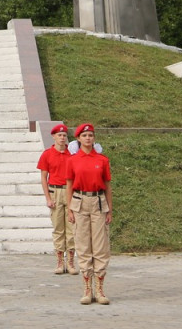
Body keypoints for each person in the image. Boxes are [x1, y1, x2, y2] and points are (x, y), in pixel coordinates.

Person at [65, 123, 113, 305]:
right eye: (84, 135)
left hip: (99, 203)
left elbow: (108, 186)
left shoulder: (102, 160)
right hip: (79, 202)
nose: (88, 138)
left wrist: (110, 210)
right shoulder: (72, 160)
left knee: (100, 247)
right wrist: (70, 208)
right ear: (78, 138)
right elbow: (69, 184)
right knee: (83, 245)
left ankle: (100, 290)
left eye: (91, 135)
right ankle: (87, 289)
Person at [36, 123, 78, 275]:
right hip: (55, 191)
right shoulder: (47, 154)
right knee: (58, 228)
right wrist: (48, 197)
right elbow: (43, 177)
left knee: (72, 228)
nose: (62, 138)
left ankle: (71, 261)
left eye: (64, 135)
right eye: (59, 135)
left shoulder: (72, 154)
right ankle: (60, 261)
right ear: (53, 137)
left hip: (70, 191)